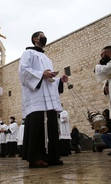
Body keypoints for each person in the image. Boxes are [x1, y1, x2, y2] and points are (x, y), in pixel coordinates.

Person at [19, 31, 68, 168]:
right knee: (38, 127)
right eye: (41, 35)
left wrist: (59, 80)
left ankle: (52, 157)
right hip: (37, 99)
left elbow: (49, 79)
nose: (44, 37)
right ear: (35, 39)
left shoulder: (47, 58)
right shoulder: (28, 53)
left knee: (51, 127)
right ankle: (36, 158)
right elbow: (24, 72)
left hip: (49, 101)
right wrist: (42, 74)